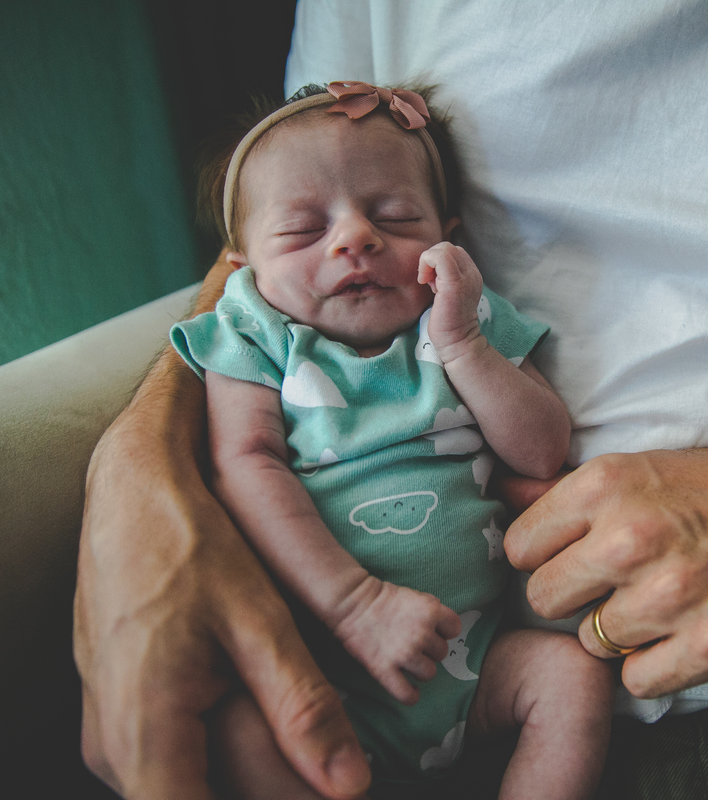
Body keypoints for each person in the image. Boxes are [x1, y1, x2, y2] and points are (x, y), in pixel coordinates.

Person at [74, 3, 708, 798]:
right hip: (401, 662)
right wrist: (132, 473)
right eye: (320, 230)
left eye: (392, 213)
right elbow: (273, 231)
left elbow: (523, 421)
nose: (355, 239)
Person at [167, 82, 612, 798]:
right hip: (327, 668)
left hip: (474, 666)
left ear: (448, 235)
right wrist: (355, 606)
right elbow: (245, 463)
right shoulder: (255, 333)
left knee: (570, 678)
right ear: (243, 264)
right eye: (303, 230)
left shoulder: (461, 314)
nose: (355, 238)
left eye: (396, 217)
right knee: (236, 730)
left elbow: (541, 452)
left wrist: (463, 345)